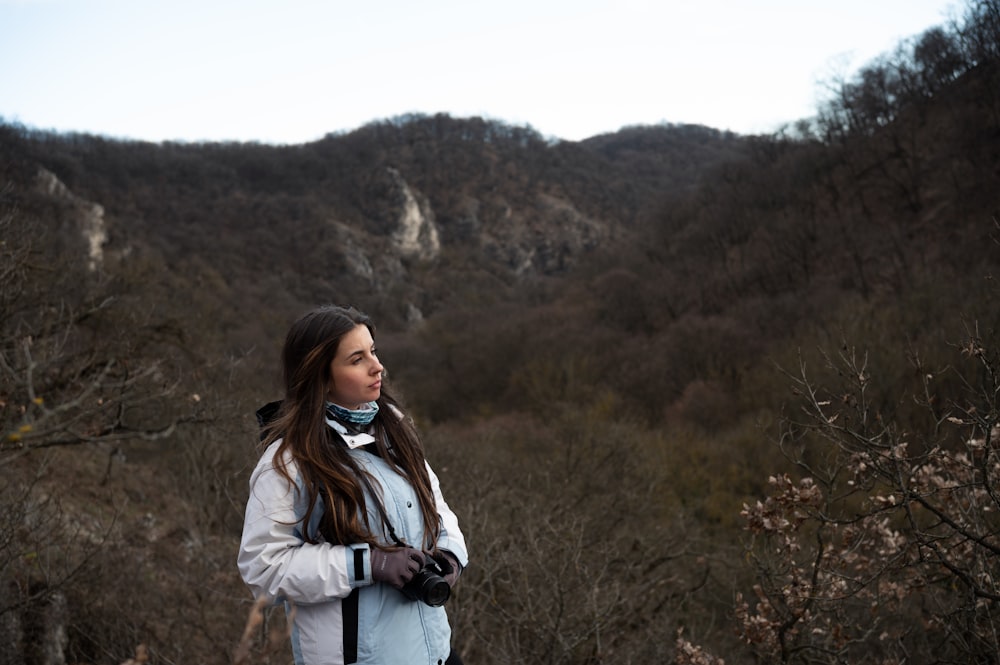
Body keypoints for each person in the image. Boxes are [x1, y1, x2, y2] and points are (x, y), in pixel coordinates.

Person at [238, 304, 469, 665]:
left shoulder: (393, 430)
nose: (377, 367)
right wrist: (367, 564)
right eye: (357, 358)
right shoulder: (289, 461)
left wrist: (450, 554)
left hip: (433, 653)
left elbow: (436, 505)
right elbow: (262, 567)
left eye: (373, 351)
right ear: (321, 375)